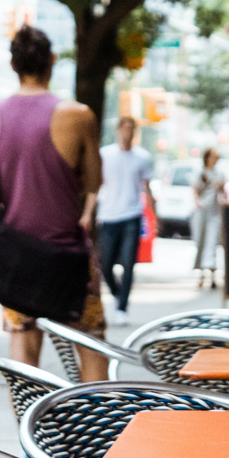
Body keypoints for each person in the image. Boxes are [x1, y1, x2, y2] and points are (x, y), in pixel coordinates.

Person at [0, 26, 108, 381]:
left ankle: (29, 434)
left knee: (23, 355)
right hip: (69, 255)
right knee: (92, 345)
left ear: (12, 64)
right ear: (52, 61)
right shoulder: (79, 116)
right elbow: (94, 182)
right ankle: (95, 432)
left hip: (16, 255)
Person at [97, 116, 154, 325]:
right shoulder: (105, 154)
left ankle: (122, 307)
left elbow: (147, 187)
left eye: (132, 129)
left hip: (132, 214)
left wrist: (154, 215)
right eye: (125, 128)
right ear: (118, 130)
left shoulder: (142, 157)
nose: (128, 133)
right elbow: (96, 184)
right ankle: (118, 293)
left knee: (129, 263)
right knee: (105, 265)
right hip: (109, 215)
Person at [192, 148, 225, 288]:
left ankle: (211, 275)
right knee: (201, 241)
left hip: (215, 211)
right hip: (202, 210)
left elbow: (223, 190)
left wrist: (221, 186)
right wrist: (197, 201)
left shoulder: (219, 173)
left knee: (212, 243)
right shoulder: (200, 173)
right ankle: (200, 274)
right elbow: (195, 189)